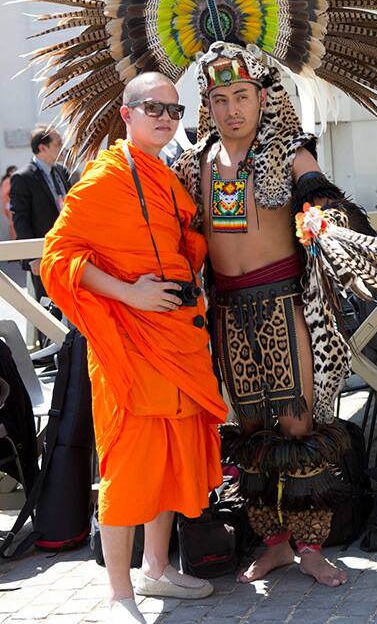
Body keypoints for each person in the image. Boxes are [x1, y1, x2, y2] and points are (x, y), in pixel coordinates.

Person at [24, 0, 377, 591]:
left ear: (263, 99)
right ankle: (272, 545)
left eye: (241, 96)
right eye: (219, 99)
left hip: (286, 304)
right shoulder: (196, 163)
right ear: (207, 107)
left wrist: (325, 218)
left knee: (299, 426)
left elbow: (318, 192)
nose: (232, 108)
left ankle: (311, 546)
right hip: (227, 314)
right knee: (250, 430)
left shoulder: (288, 150)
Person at [40, 72, 227, 624]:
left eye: (175, 109)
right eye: (153, 108)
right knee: (129, 465)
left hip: (176, 335)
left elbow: (183, 243)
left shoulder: (167, 177)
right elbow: (57, 258)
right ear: (127, 114)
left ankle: (155, 568)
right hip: (129, 342)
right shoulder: (103, 178)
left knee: (169, 459)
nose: (166, 118)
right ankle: (120, 591)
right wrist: (129, 291)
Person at [11, 127, 73, 298]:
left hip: (67, 250)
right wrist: (33, 257)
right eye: (58, 143)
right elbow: (20, 219)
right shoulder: (23, 177)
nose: (62, 147)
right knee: (47, 307)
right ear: (42, 148)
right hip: (43, 254)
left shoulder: (62, 171)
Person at [1, 165, 18, 240]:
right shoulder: (8, 180)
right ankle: (14, 239)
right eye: (13, 171)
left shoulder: (14, 179)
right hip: (10, 204)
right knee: (12, 223)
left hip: (14, 203)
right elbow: (5, 194)